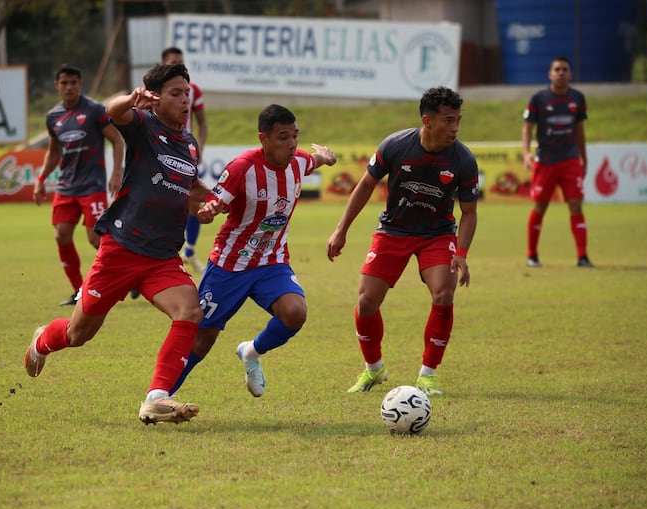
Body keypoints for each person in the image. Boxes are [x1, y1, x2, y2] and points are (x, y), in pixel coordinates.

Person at [24, 63, 210, 425]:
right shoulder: (143, 124)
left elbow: (190, 190)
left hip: (161, 257)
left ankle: (156, 398)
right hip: (121, 250)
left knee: (189, 311)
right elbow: (112, 111)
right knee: (79, 334)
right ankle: (42, 340)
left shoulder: (188, 144)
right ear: (154, 98)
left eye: (186, 93)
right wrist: (131, 99)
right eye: (175, 93)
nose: (184, 100)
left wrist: (211, 202)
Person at [168, 104, 337, 398]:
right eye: (283, 137)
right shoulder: (242, 167)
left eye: (295, 136)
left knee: (295, 313)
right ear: (264, 139)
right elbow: (217, 202)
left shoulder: (298, 162)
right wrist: (208, 211)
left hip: (272, 261)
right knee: (201, 341)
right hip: (230, 265)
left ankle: (251, 352)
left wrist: (326, 157)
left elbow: (314, 160)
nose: (292, 144)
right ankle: (160, 397)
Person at [326, 86, 479, 397]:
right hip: (393, 230)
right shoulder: (396, 146)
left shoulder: (463, 158)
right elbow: (365, 185)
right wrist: (341, 230)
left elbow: (470, 212)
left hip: (437, 234)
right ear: (427, 120)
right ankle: (374, 370)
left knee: (443, 293)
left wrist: (461, 252)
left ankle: (428, 376)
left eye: (458, 120)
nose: (455, 128)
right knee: (367, 301)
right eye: (448, 121)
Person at [34, 64, 125, 306]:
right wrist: (41, 179)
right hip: (66, 187)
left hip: (92, 186)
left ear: (80, 84)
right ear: (57, 85)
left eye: (73, 82)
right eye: (64, 83)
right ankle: (78, 290)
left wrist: (116, 172)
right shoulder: (53, 116)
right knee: (61, 236)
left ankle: (130, 277)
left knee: (96, 240)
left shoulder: (94, 110)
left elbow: (116, 140)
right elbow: (53, 153)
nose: (69, 87)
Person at [522, 56, 593, 268]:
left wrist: (584, 157)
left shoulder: (578, 98)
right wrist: (526, 153)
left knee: (575, 204)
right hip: (546, 161)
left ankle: (582, 256)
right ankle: (532, 254)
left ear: (570, 74)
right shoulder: (538, 99)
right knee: (541, 205)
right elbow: (527, 128)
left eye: (565, 69)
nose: (561, 73)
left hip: (570, 160)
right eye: (557, 69)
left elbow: (580, 131)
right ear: (550, 74)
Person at [163, 46, 208, 273]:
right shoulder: (152, 91)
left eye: (180, 62)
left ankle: (189, 250)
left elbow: (202, 123)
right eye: (172, 63)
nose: (177, 66)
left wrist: (198, 149)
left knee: (193, 202)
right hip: (160, 152)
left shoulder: (193, 90)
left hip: (184, 152)